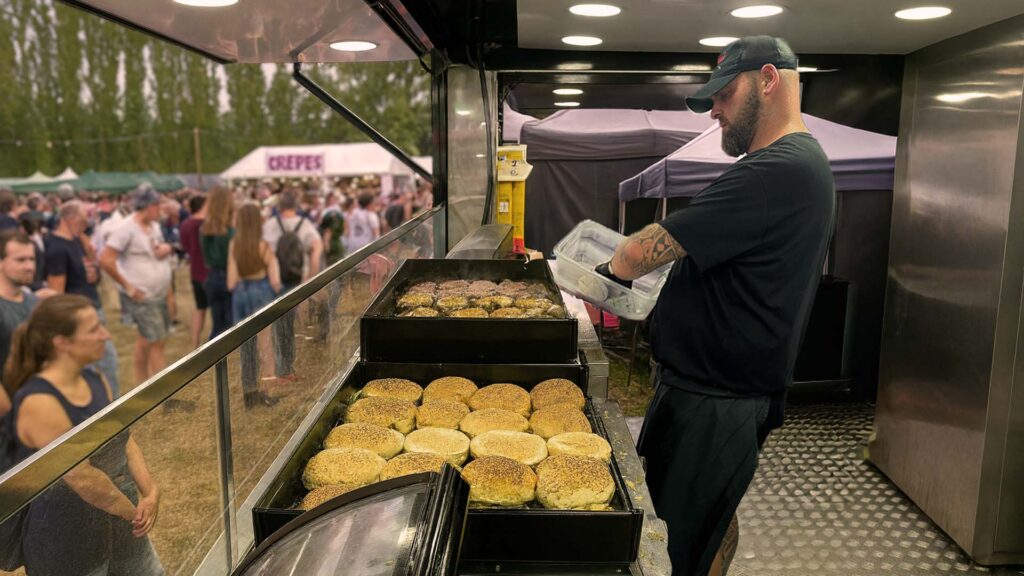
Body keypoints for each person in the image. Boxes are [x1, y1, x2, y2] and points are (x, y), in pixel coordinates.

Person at [596, 37, 835, 576]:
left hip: (713, 402)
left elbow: (635, 255)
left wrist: (610, 270)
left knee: (671, 549)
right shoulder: (801, 164)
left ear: (768, 79)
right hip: (723, 395)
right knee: (710, 520)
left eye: (724, 95)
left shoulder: (776, 171)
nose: (716, 112)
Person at [5, 295, 163, 575]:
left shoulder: (95, 378)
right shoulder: (39, 403)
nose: (106, 335)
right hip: (67, 535)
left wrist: (150, 492)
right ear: (61, 342)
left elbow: (124, 438)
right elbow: (82, 478)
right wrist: (135, 514)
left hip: (119, 512)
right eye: (93, 330)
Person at [99, 185, 174, 388]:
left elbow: (153, 249)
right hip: (142, 295)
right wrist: (128, 287)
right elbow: (106, 260)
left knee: (147, 339)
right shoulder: (125, 229)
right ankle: (164, 393)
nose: (161, 209)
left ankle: (141, 386)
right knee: (157, 341)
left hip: (156, 293)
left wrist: (164, 249)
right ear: (148, 206)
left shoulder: (153, 226)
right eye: (158, 204)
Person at [46, 201, 120, 398]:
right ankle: (114, 414)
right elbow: (56, 293)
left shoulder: (77, 240)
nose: (87, 223)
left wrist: (92, 263)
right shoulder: (57, 248)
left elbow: (89, 269)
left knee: (104, 367)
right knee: (107, 364)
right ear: (71, 219)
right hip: (79, 319)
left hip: (92, 309)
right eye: (83, 218)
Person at [262, 188, 322, 382]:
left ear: (279, 206)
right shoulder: (305, 225)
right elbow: (316, 248)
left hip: (273, 279)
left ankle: (281, 366)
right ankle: (285, 368)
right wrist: (311, 276)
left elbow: (262, 251)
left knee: (279, 324)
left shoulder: (270, 225)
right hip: (296, 279)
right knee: (287, 324)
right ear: (296, 205)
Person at [228, 203, 281, 408]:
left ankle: (248, 392)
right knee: (266, 345)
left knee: (246, 347)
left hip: (241, 295)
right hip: (261, 292)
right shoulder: (264, 246)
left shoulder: (234, 245)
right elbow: (275, 280)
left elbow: (231, 281)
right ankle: (267, 391)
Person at [0, 232, 45, 415]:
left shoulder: (34, 301)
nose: (29, 266)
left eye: (32, 259)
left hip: (40, 403)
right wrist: (10, 416)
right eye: (20, 260)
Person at [201, 187, 235, 340]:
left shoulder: (204, 230)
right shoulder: (230, 233)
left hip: (212, 277)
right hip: (229, 277)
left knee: (217, 325)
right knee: (230, 326)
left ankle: (216, 359)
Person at [179, 194, 209, 349]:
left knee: (200, 308)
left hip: (195, 271)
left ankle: (195, 342)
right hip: (209, 271)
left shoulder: (185, 224)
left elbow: (185, 248)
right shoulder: (207, 224)